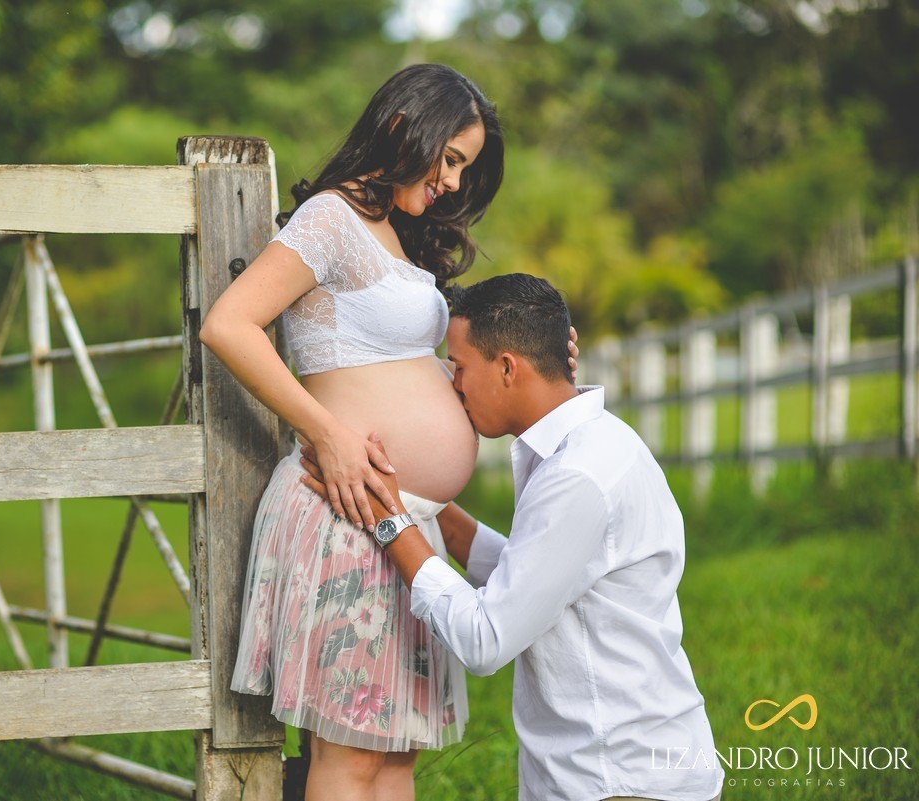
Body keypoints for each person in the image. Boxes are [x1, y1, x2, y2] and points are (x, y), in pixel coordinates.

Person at [199, 63, 509, 800]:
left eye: (466, 167)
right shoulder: (332, 219)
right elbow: (229, 324)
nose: (456, 184)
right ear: (405, 127)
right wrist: (328, 431)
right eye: (452, 159)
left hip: (403, 522)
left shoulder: (395, 237)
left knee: (393, 750)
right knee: (351, 753)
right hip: (346, 512)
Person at [300, 273, 724, 801]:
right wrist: (416, 502)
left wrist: (387, 520)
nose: (452, 384)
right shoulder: (593, 444)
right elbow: (532, 576)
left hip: (620, 779)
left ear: (507, 367)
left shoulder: (579, 476)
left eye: (458, 367)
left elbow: (486, 637)